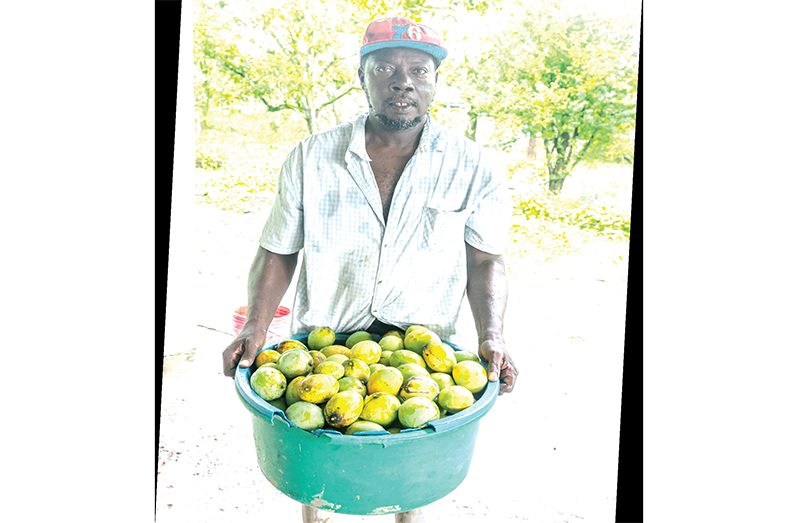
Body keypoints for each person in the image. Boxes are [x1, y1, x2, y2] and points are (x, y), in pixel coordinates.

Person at [222, 15, 519, 523]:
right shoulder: (310, 158)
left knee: (410, 471)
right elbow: (278, 250)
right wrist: (254, 326)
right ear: (362, 77)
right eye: (385, 68)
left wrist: (492, 335)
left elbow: (485, 260)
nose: (402, 80)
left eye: (419, 70)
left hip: (423, 351)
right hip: (322, 344)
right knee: (316, 460)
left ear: (435, 82)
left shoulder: (475, 167)